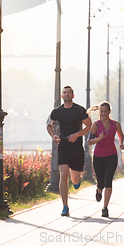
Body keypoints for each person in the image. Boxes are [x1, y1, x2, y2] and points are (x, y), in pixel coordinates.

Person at [47, 85, 92, 217]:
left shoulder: (79, 110)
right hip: (63, 147)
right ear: (62, 96)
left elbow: (89, 125)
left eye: (69, 93)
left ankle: (77, 181)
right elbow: (49, 125)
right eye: (64, 93)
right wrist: (53, 136)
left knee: (75, 178)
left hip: (77, 148)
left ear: (72, 95)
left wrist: (78, 134)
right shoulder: (56, 111)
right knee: (64, 173)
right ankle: (65, 206)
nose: (66, 94)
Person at [87, 101, 124, 218]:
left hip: (111, 155)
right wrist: (98, 139)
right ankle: (99, 189)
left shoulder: (115, 124)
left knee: (108, 180)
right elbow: (89, 142)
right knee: (101, 182)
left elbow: (120, 135)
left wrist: (121, 143)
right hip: (98, 156)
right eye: (101, 111)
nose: (103, 114)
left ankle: (105, 208)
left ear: (109, 112)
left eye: (105, 111)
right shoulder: (96, 125)